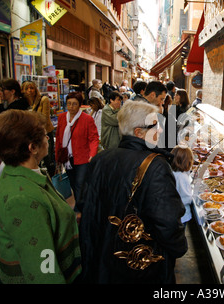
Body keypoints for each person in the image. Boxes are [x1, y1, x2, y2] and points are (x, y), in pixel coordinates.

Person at [78, 100, 188, 284]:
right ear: (139, 132)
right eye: (155, 125)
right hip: (140, 265)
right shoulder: (156, 165)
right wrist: (178, 248)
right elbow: (167, 221)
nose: (160, 130)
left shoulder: (100, 158)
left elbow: (86, 207)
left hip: (103, 257)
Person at [0, 109, 81, 284]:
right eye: (45, 136)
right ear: (32, 148)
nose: (48, 139)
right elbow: (42, 270)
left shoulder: (20, 173)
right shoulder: (22, 199)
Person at [55, 91, 99, 211]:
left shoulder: (87, 119)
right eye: (69, 104)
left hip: (83, 157)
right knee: (73, 183)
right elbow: (59, 137)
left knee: (80, 183)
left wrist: (92, 154)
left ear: (79, 105)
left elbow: (94, 138)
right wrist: (57, 156)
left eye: (74, 104)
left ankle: (80, 208)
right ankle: (81, 203)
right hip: (67, 157)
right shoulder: (62, 118)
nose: (71, 107)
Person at [22, 80, 56, 177]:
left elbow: (45, 118)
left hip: (45, 133)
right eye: (27, 88)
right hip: (31, 135)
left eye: (32, 88)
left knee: (48, 158)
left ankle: (52, 180)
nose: (29, 91)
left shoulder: (43, 99)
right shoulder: (24, 103)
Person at [170, 145, 193, 227]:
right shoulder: (182, 177)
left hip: (172, 212)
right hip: (181, 215)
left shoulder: (172, 171)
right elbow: (187, 198)